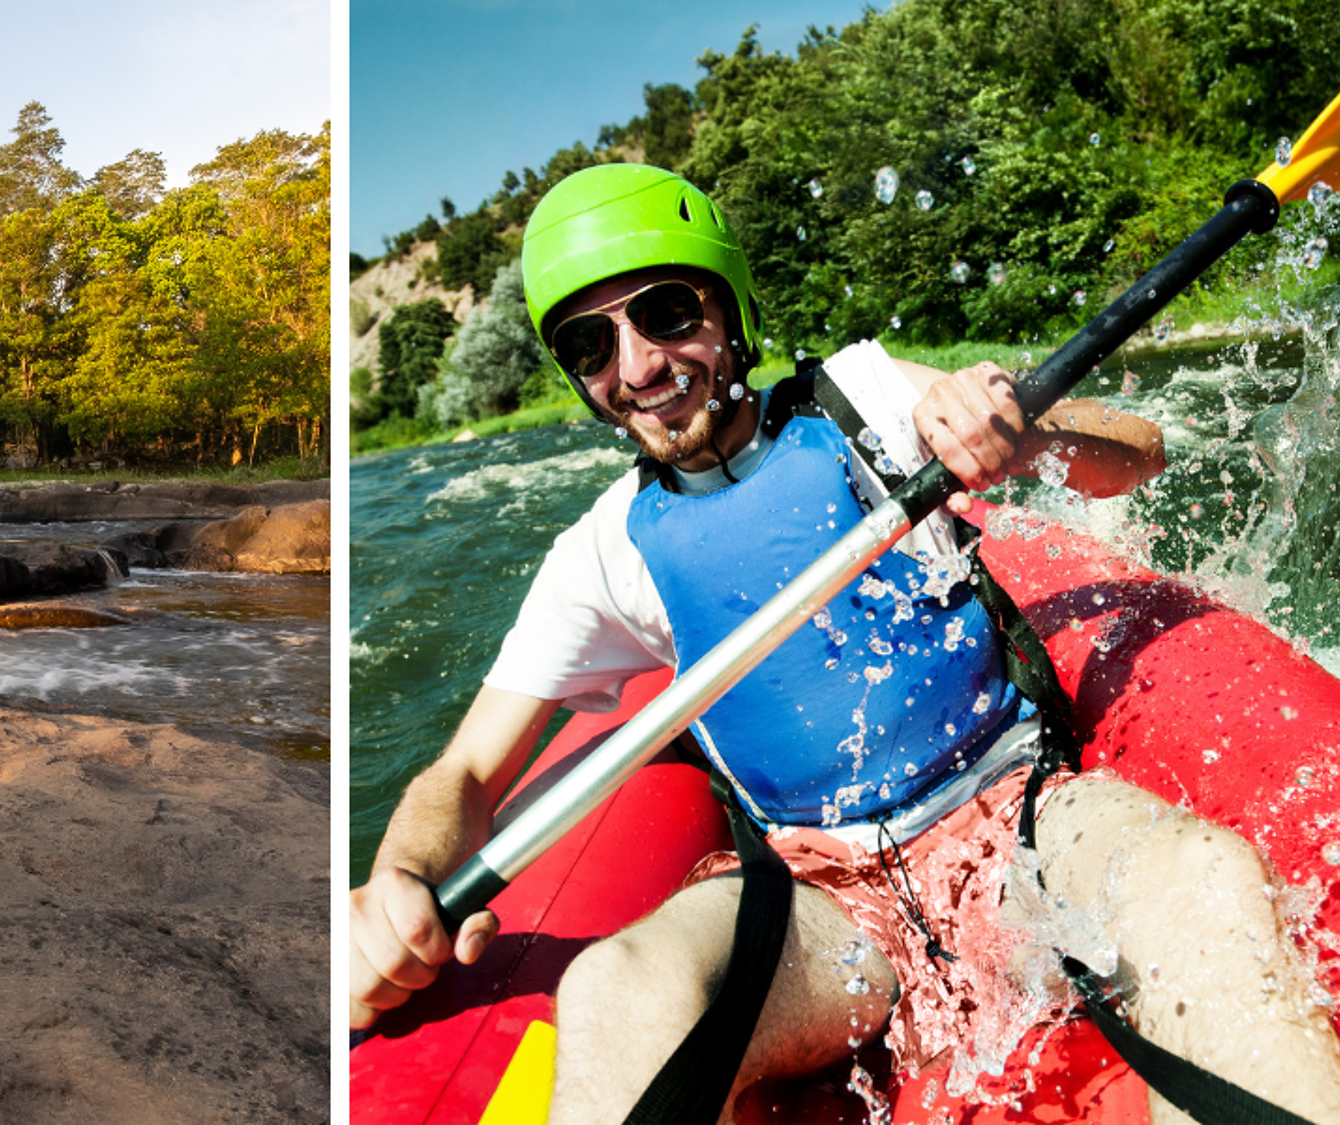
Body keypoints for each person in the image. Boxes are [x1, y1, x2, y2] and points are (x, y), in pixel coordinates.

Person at [349, 164, 1340, 1124]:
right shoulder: (603, 553)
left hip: (1019, 816)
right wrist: (396, 879)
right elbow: (462, 776)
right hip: (821, 906)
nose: (638, 367)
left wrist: (1022, 425)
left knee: (1196, 881)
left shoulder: (861, 398)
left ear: (729, 312)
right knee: (616, 989)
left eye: (663, 314)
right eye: (588, 345)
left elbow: (1135, 454)